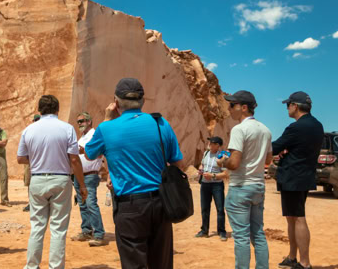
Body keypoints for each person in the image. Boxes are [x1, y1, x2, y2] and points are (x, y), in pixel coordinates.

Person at [85, 78, 186, 269]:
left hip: (129, 206)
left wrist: (107, 119)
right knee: (161, 263)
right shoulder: (160, 123)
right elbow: (179, 163)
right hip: (161, 203)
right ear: (143, 101)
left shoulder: (106, 128)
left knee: (133, 263)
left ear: (115, 103)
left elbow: (90, 154)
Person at [17, 95, 88, 269]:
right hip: (61, 179)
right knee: (58, 229)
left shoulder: (29, 130)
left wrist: (37, 159)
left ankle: (32, 266)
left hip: (38, 179)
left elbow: (20, 159)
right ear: (57, 109)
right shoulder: (67, 128)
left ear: (39, 110)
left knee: (37, 227)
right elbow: (74, 159)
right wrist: (82, 185)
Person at [217, 90, 273, 269]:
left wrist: (222, 161)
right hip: (258, 186)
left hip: (240, 186)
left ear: (243, 107)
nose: (229, 108)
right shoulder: (265, 130)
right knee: (258, 234)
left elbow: (234, 163)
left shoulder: (239, 129)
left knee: (241, 237)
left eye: (232, 105)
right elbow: (268, 161)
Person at [272, 92, 323, 269]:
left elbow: (274, 147)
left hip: (292, 177)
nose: (287, 108)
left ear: (295, 105)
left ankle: (304, 262)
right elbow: (301, 149)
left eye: (288, 105)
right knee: (292, 218)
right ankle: (293, 257)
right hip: (305, 176)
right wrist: (288, 151)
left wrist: (281, 150)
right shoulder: (317, 125)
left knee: (298, 218)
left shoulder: (295, 127)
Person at [71, 112, 106, 247]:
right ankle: (86, 231)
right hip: (79, 176)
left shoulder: (94, 135)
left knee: (91, 203)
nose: (80, 124)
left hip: (90, 175)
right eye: (78, 122)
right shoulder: (82, 138)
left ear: (90, 121)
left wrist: (81, 150)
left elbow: (99, 152)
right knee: (83, 204)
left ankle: (98, 234)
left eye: (82, 121)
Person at [195, 136, 228, 241]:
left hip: (217, 185)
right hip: (205, 185)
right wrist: (201, 169)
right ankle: (204, 231)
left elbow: (225, 174)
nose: (209, 143)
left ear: (218, 145)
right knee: (204, 208)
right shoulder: (205, 153)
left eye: (212, 142)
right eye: (210, 142)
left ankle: (222, 232)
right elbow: (202, 164)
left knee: (220, 209)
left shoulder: (222, 156)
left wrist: (212, 176)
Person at [23, 114, 40, 213]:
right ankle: (31, 203)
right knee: (30, 182)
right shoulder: (29, 131)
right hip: (29, 160)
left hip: (39, 161)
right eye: (36, 120)